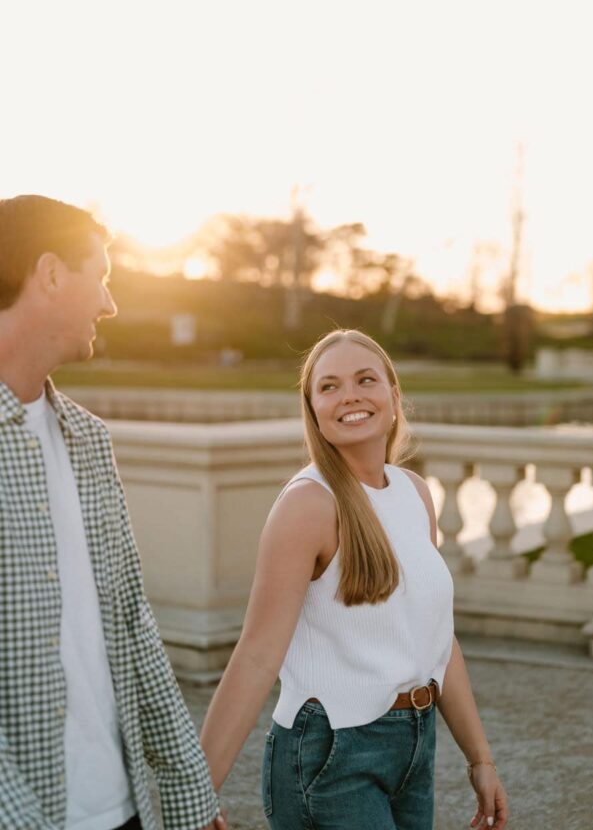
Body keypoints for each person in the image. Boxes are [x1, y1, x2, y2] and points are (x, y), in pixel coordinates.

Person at [200, 328, 508, 830]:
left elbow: (436, 639)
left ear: (393, 394)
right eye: (329, 386)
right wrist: (197, 787)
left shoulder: (414, 492)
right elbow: (256, 655)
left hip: (414, 745)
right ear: (314, 410)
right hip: (331, 753)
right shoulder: (307, 504)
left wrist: (481, 760)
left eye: (366, 379)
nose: (350, 396)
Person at [0, 195, 226, 830]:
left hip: (122, 810)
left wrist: (191, 796)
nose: (110, 303)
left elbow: (131, 624)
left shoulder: (87, 440)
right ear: (48, 274)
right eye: (99, 276)